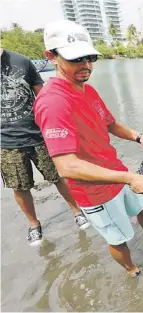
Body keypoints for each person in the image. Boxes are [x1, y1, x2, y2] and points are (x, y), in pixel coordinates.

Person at [33, 20, 143, 277]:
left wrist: (139, 136)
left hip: (115, 170)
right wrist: (130, 177)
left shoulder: (88, 90)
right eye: (75, 59)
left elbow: (111, 124)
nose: (85, 65)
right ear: (51, 57)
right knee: (118, 237)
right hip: (93, 189)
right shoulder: (53, 103)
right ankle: (132, 269)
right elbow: (67, 166)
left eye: (89, 57)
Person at [1, 48, 90, 246]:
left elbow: (43, 95)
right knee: (19, 186)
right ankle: (34, 225)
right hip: (6, 142)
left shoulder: (21, 61)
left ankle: (77, 211)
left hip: (39, 134)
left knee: (59, 176)